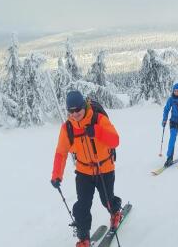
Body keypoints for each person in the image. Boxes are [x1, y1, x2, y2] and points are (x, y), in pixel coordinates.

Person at [50, 90, 122, 247]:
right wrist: (56, 175)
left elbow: (115, 140)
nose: (75, 114)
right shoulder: (68, 128)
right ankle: (84, 239)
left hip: (104, 168)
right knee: (82, 206)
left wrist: (97, 131)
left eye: (78, 110)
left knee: (107, 200)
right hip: (83, 172)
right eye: (71, 111)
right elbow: (61, 153)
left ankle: (115, 212)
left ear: (84, 106)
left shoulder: (98, 119)